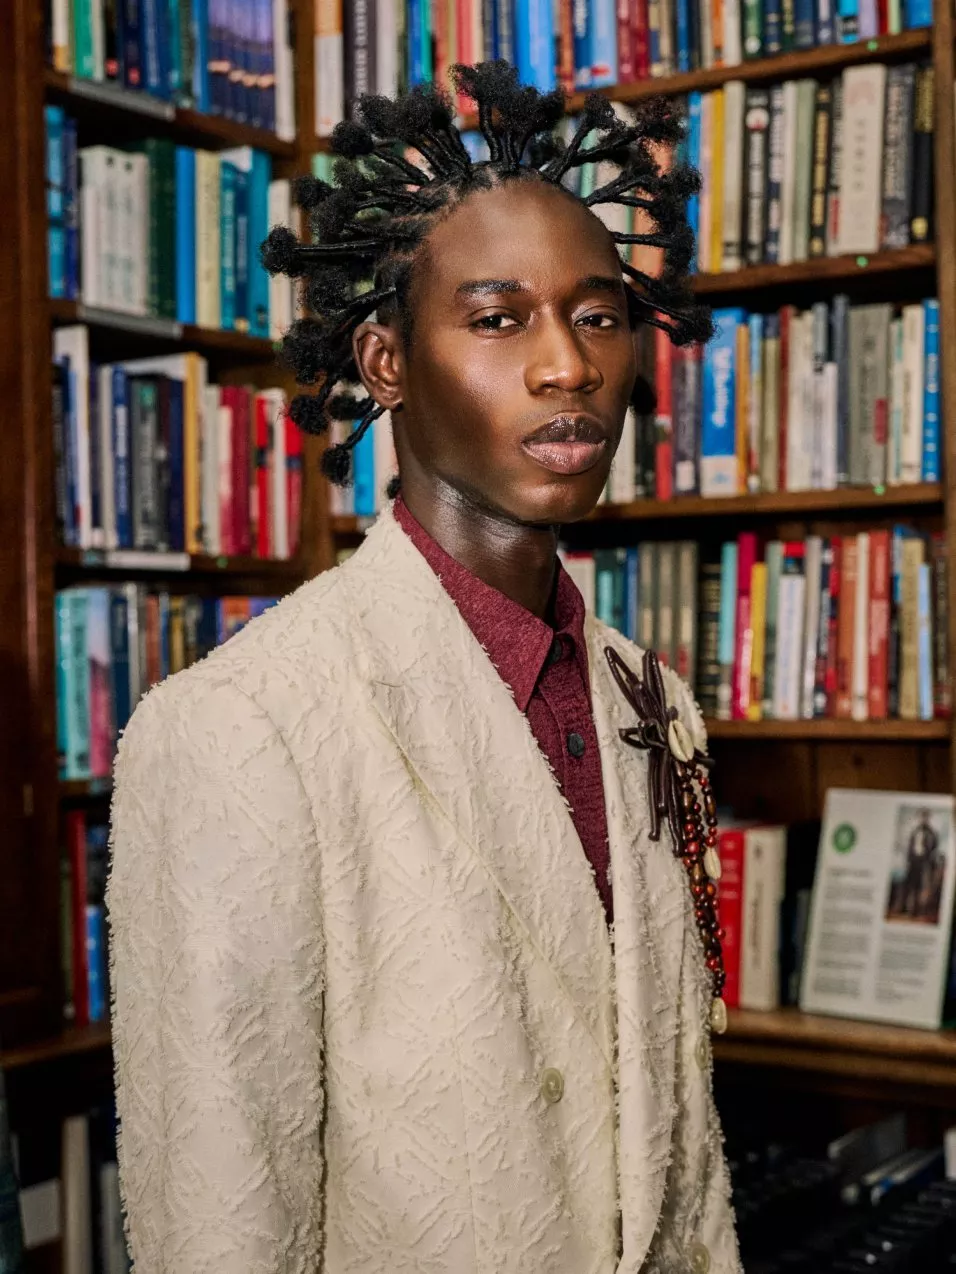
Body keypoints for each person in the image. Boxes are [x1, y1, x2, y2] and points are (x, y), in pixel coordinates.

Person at [107, 62, 740, 1273]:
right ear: (386, 362)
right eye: (498, 318)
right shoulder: (244, 729)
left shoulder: (653, 701)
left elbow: (682, 1140)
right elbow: (220, 1221)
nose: (568, 366)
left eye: (598, 314)